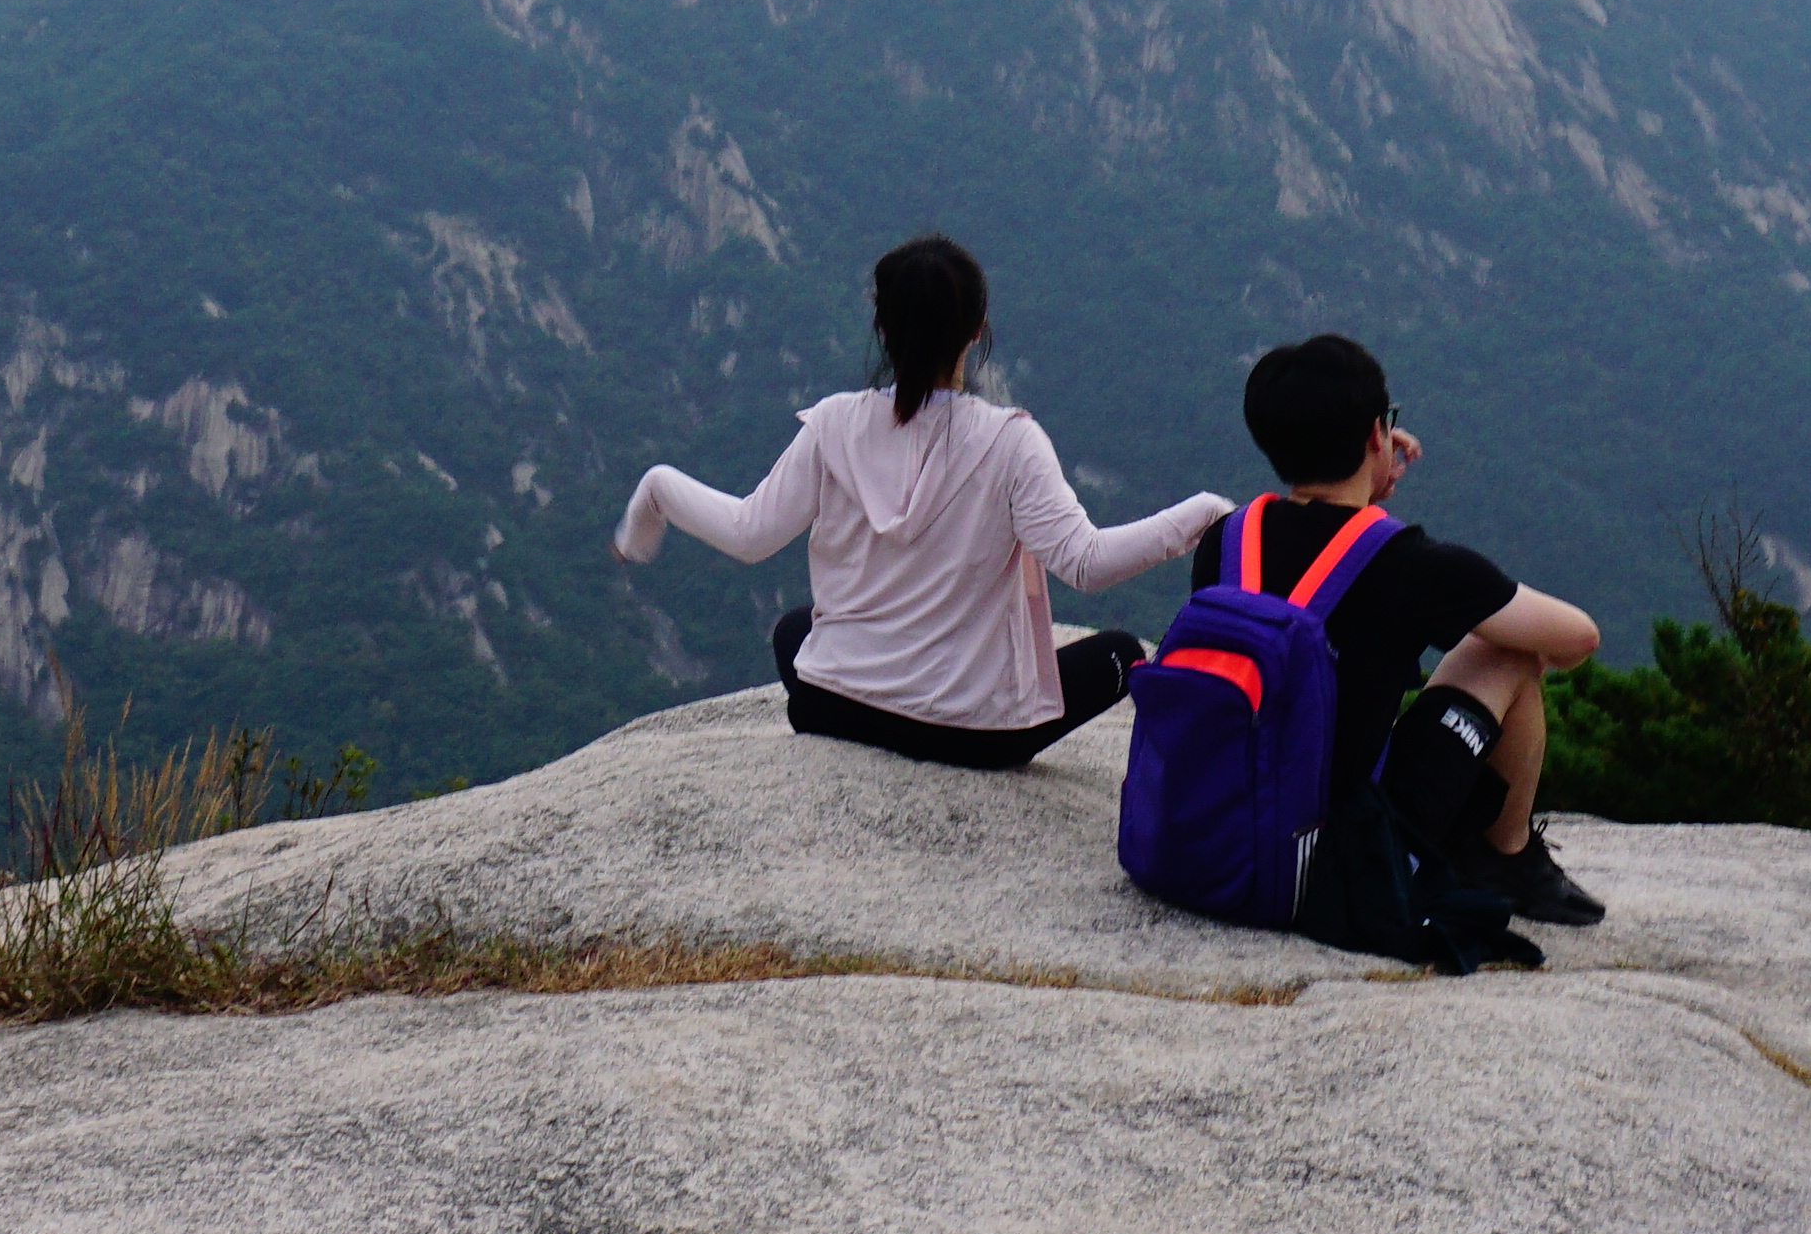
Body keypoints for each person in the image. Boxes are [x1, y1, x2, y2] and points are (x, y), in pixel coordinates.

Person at [616, 235, 1225, 768]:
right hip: (973, 737)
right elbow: (1086, 564)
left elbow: (748, 533)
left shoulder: (833, 425)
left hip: (831, 707)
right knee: (1121, 652)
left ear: (883, 328)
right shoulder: (1009, 441)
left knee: (797, 630)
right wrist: (1200, 515)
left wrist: (657, 488)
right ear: (976, 330)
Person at [1223, 330, 1609, 935]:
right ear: (1378, 435)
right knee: (1507, 654)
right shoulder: (1408, 563)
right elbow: (1578, 636)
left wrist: (1360, 472)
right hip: (1337, 846)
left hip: (1233, 821)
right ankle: (1507, 858)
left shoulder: (1230, 538)